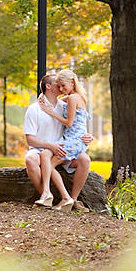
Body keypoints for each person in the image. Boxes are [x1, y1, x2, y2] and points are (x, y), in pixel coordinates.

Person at [23, 72, 92, 211]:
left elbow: (76, 121)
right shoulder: (34, 109)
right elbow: (29, 139)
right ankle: (46, 195)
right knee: (32, 159)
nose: (60, 88)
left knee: (85, 159)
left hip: (63, 145)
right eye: (58, 84)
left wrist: (88, 136)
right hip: (43, 148)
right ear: (48, 86)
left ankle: (72, 200)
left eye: (62, 85)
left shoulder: (64, 104)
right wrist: (50, 145)